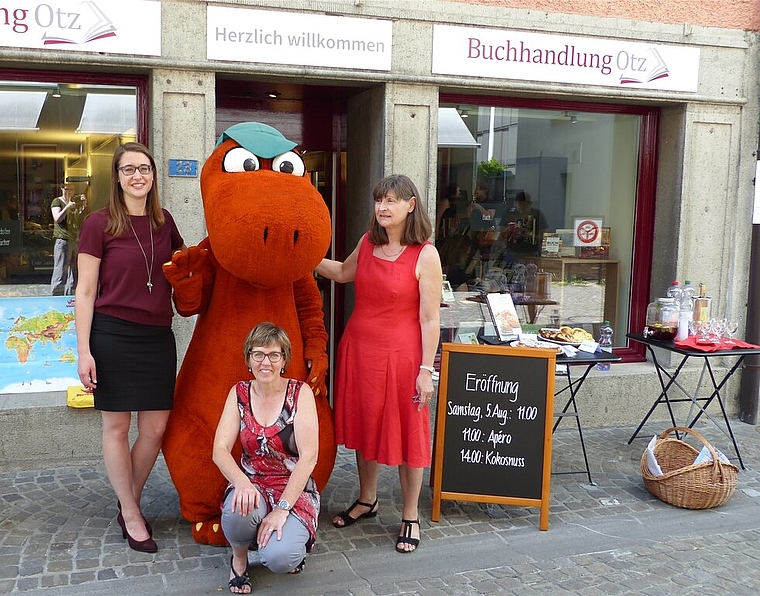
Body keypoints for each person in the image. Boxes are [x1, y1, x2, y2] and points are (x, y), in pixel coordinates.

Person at [315, 174, 442, 554]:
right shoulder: (367, 243)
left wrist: (426, 370)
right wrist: (301, 256)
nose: (382, 207)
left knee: (408, 433)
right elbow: (341, 273)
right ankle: (367, 498)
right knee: (366, 424)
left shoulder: (426, 254)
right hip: (360, 349)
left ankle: (409, 515)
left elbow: (429, 319)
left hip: (404, 357)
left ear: (410, 205)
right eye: (379, 200)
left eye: (391, 200)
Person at [75, 142, 186, 553]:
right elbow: (85, 292)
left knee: (155, 428)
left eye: (144, 168)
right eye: (128, 170)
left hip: (158, 336)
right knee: (117, 428)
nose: (137, 176)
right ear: (117, 177)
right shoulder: (98, 224)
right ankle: (132, 512)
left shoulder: (164, 221)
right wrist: (83, 350)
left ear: (153, 175)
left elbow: (186, 267)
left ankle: (128, 501)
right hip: (113, 334)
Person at [213, 322, 320, 594]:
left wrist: (282, 509)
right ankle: (239, 560)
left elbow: (309, 457)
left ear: (284, 359)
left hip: (293, 488)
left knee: (279, 558)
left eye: (274, 355)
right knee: (239, 511)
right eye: (258, 354)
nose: (266, 362)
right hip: (252, 483)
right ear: (248, 358)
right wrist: (242, 482)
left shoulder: (300, 393)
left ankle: (282, 539)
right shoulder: (239, 393)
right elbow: (220, 450)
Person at [50, 184, 81, 295]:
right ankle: (56, 294)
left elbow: (77, 222)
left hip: (73, 240)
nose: (70, 191)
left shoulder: (74, 204)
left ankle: (69, 296)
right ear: (62, 189)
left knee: (72, 269)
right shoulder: (57, 201)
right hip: (62, 239)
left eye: (72, 189)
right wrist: (67, 207)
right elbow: (57, 218)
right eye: (67, 189)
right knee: (60, 268)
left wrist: (83, 205)